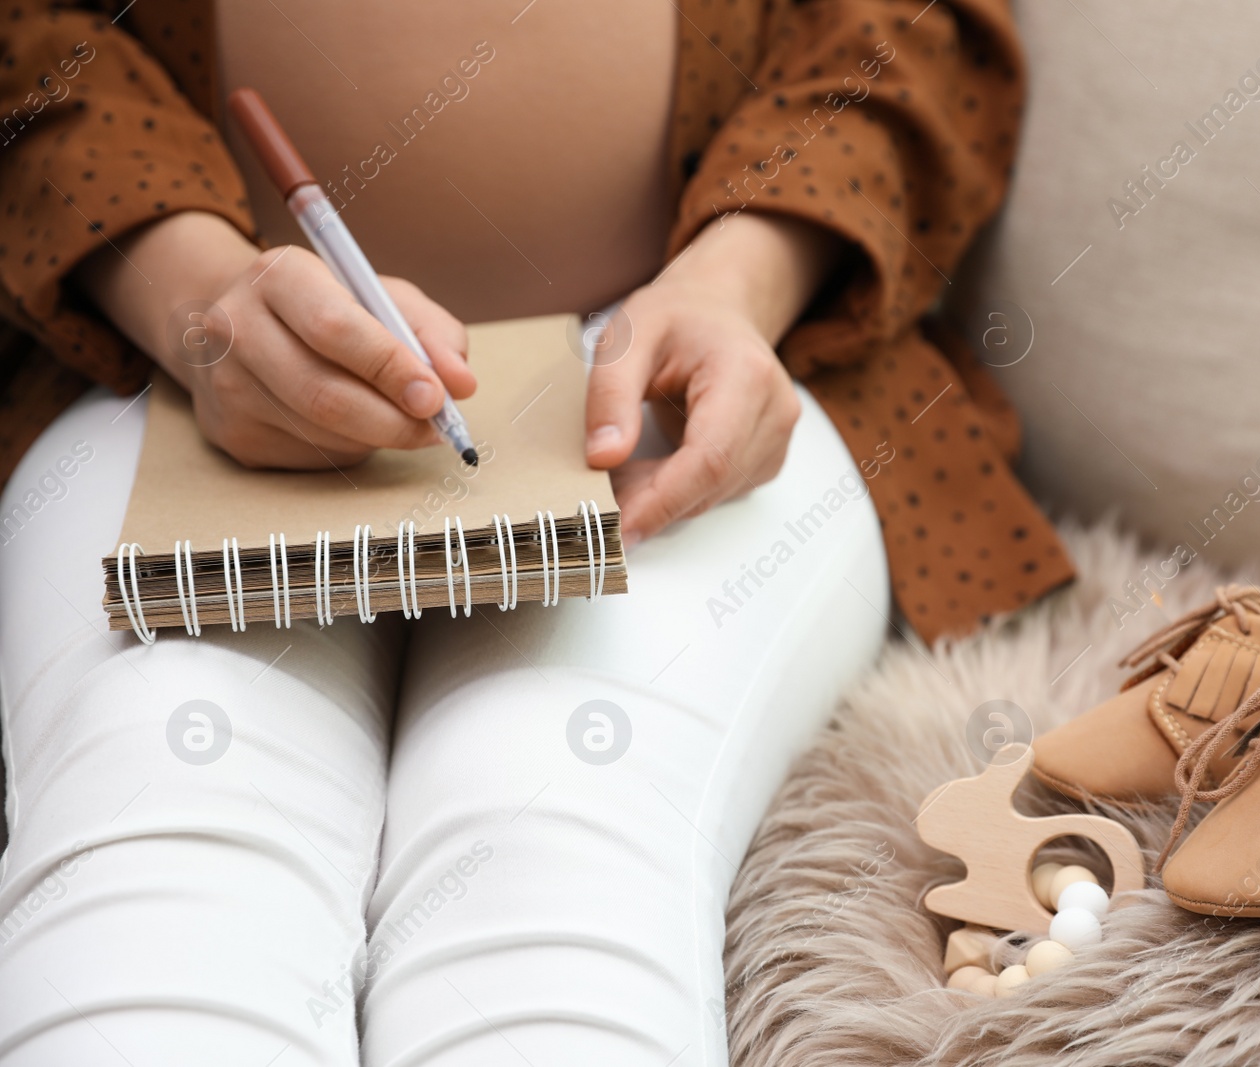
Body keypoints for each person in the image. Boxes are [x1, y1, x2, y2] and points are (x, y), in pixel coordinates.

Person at [0, 2, 1072, 1063]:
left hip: (693, 362)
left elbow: (913, 29)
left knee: (552, 807)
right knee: (163, 808)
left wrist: (736, 282)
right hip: (160, 369)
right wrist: (191, 292)